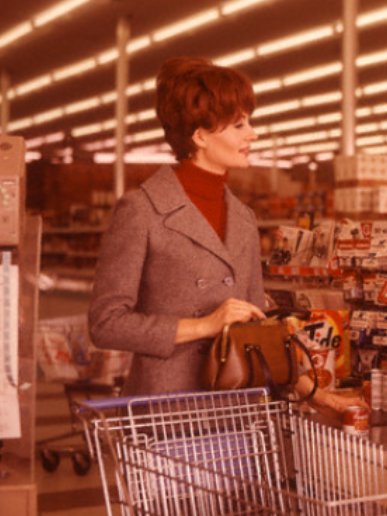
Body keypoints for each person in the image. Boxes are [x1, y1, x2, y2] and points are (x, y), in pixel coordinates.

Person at [89, 57, 362, 418]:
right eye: (238, 124)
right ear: (200, 136)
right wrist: (204, 326)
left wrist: (314, 392)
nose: (253, 133)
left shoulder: (244, 218)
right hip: (167, 414)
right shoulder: (141, 211)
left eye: (248, 121)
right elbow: (106, 324)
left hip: (234, 411)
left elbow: (258, 330)